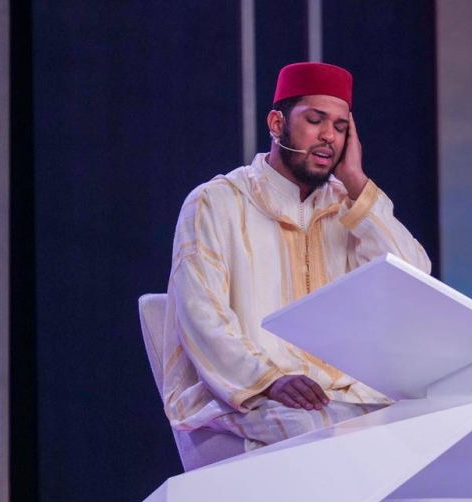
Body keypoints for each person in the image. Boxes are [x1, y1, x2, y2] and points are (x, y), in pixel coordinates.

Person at [161, 62, 431, 450]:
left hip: (345, 394)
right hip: (247, 393)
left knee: (436, 421)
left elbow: (413, 279)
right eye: (315, 120)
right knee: (311, 429)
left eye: (341, 127)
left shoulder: (350, 206)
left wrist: (356, 182)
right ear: (276, 123)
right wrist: (268, 380)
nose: (329, 136)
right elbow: (200, 313)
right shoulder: (216, 201)